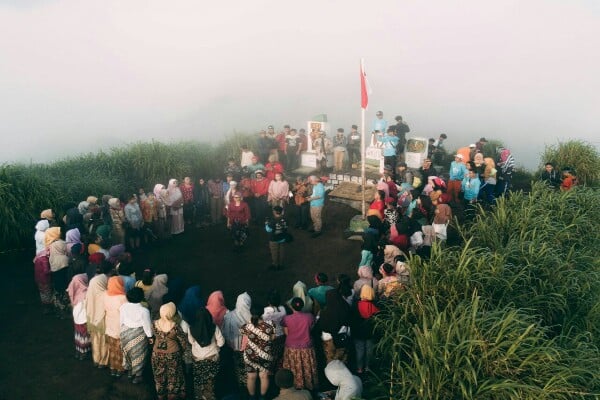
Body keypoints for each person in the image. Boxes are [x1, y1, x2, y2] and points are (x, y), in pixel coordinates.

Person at [152, 302, 188, 399]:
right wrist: (183, 352)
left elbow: (154, 336)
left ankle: (161, 395)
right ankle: (172, 395)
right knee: (173, 377)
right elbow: (183, 342)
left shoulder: (154, 324)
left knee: (159, 376)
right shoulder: (175, 326)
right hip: (173, 354)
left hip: (156, 354)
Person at [281, 297, 318, 391]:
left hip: (291, 348)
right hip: (307, 347)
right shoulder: (309, 316)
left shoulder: (286, 319)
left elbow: (286, 333)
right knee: (307, 368)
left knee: (293, 368)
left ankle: (295, 385)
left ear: (291, 307)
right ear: (302, 306)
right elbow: (311, 329)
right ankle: (309, 386)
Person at [241, 306, 275, 400]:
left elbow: (243, 334)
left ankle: (252, 397)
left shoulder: (246, 326)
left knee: (251, 377)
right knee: (264, 376)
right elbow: (272, 338)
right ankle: (262, 397)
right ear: (262, 313)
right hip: (265, 355)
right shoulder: (270, 325)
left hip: (250, 354)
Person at [120, 287, 153, 383]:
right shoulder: (144, 310)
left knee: (128, 352)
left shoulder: (123, 307)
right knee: (139, 355)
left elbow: (120, 321)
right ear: (141, 297)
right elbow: (146, 325)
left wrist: (121, 332)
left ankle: (130, 371)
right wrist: (150, 337)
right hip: (138, 334)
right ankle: (138, 375)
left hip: (124, 332)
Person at [222, 292, 252, 391]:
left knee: (236, 369)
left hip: (234, 349)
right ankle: (248, 388)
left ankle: (240, 387)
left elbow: (225, 333)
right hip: (250, 350)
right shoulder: (254, 317)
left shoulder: (229, 316)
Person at [86, 261, 112, 369]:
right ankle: (103, 361)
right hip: (102, 317)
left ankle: (96, 359)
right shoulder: (105, 290)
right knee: (104, 341)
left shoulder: (93, 282)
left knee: (95, 339)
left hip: (91, 315)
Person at [352, 285, 380, 374]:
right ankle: (367, 367)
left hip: (358, 332)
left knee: (359, 350)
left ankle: (359, 368)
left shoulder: (356, 305)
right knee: (369, 351)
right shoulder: (374, 305)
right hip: (370, 332)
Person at [318, 288, 351, 364]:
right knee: (342, 359)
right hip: (342, 337)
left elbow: (321, 325)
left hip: (328, 338)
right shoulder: (345, 307)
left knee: (330, 358)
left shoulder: (324, 311)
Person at [103, 276, 127, 377]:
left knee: (112, 348)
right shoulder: (123, 298)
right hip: (120, 327)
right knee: (120, 349)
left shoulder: (105, 295)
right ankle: (120, 368)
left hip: (109, 325)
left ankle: (113, 367)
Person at [66, 272, 91, 360]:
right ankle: (84, 351)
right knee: (85, 335)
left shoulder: (73, 292)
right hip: (84, 318)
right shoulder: (86, 292)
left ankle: (79, 350)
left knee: (78, 334)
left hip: (77, 317)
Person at [266, 206, 290, 270]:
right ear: (282, 212)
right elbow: (286, 226)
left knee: (274, 252)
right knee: (282, 251)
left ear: (274, 212)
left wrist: (266, 224)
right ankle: (281, 264)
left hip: (274, 239)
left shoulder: (272, 220)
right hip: (282, 238)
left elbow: (268, 230)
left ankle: (275, 264)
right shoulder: (285, 219)